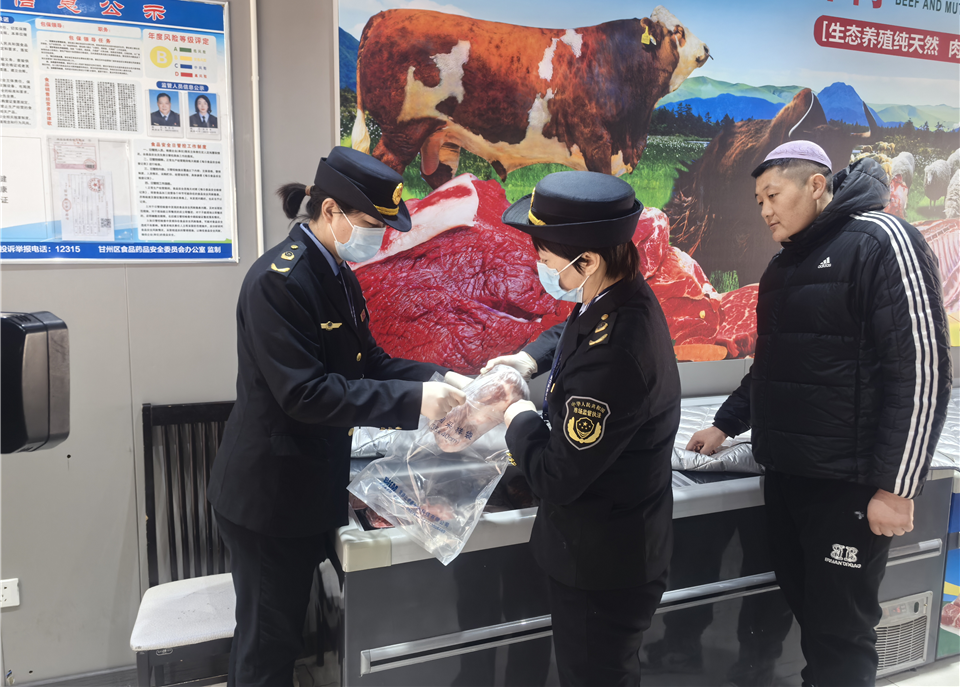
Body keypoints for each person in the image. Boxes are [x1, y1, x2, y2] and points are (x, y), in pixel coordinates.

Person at [686, 140, 952, 687]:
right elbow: (772, 367)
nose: (765, 211)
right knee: (807, 609)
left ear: (814, 185)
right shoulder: (786, 265)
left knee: (840, 633)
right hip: (788, 475)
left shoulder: (882, 239)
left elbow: (922, 371)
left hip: (848, 485)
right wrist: (725, 424)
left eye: (773, 195)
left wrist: (898, 488)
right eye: (759, 201)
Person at [207, 146, 469, 686]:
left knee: (284, 636)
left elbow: (369, 361)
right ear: (331, 211)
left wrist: (443, 378)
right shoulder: (280, 282)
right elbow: (305, 394)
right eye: (373, 226)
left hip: (308, 485)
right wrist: (417, 402)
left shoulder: (338, 273)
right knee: (266, 650)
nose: (381, 238)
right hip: (271, 498)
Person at [487, 171, 682, 686]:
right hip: (606, 545)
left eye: (546, 258)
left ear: (587, 261)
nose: (541, 267)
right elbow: (574, 328)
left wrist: (514, 412)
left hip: (603, 565)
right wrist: (528, 360)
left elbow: (557, 475)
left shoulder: (616, 352)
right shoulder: (618, 296)